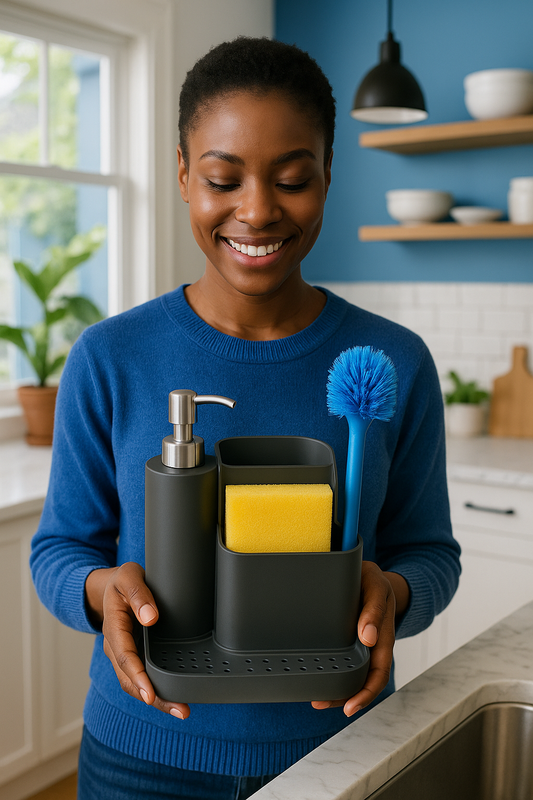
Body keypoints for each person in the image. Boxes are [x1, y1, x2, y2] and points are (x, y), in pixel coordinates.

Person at [30, 36, 461, 800]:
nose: (257, 210)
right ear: (182, 175)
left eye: (292, 179)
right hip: (142, 756)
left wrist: (390, 594)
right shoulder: (110, 356)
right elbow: (60, 549)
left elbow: (428, 553)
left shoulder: (390, 359)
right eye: (223, 179)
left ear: (327, 176)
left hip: (344, 747)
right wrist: (103, 592)